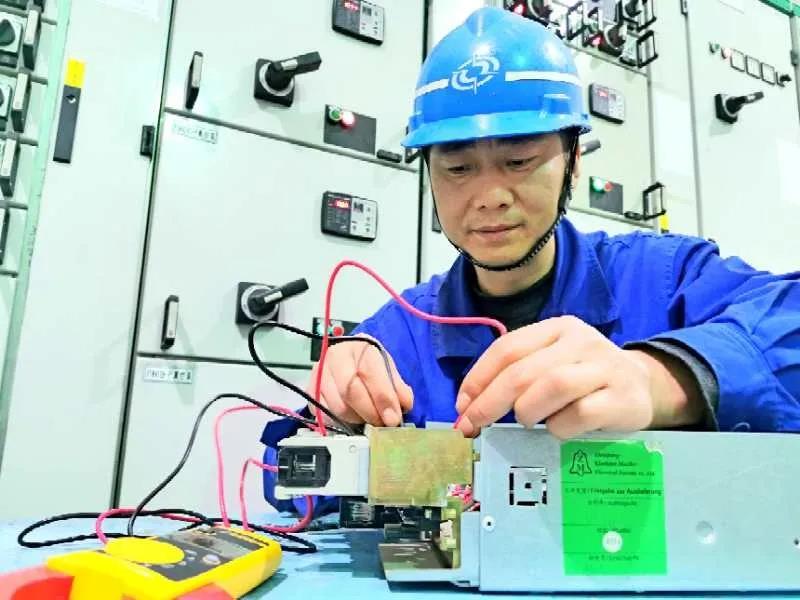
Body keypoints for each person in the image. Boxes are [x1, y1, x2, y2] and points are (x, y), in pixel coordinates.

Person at [261, 7, 799, 510]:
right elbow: (281, 485)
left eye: (518, 160)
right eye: (458, 169)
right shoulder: (398, 336)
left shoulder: (662, 280)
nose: (490, 196)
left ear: (574, 160)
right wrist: (329, 419)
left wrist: (662, 379)